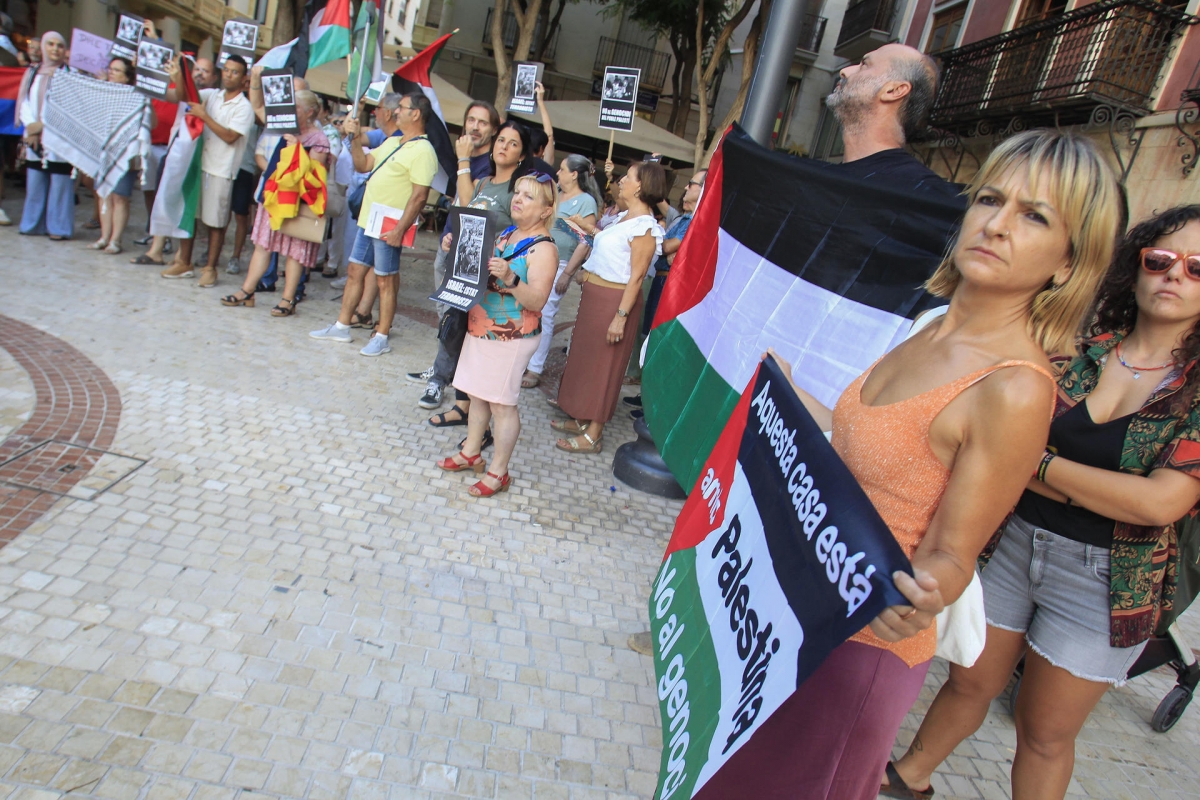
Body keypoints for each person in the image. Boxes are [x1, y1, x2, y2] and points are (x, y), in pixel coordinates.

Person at [690, 130, 1124, 800]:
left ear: (1069, 263)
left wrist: (922, 593)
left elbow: (954, 554)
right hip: (794, 614)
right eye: (990, 199)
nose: (999, 225)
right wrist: (782, 392)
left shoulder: (1015, 387)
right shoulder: (931, 323)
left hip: (860, 652)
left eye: (1035, 216)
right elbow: (865, 449)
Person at [881, 205, 1200, 800]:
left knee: (1045, 732)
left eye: (1197, 268)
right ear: (1135, 267)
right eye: (1159, 259)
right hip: (1015, 540)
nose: (1174, 275)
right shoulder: (1077, 350)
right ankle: (908, 778)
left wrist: (1039, 464)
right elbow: (996, 440)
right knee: (967, 683)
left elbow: (1160, 504)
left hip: (1107, 580)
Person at [437, 174, 558, 496]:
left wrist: (511, 279)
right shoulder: (506, 233)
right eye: (517, 193)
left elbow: (538, 301)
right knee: (478, 395)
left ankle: (498, 472)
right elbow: (477, 267)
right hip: (481, 329)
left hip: (512, 336)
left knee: (502, 405)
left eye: (528, 196)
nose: (518, 199)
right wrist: (456, 247)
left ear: (546, 210)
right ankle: (470, 453)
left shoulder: (543, 250)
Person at [552, 161, 667, 453]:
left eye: (627, 177)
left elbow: (637, 276)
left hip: (614, 303)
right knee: (588, 360)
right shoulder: (625, 219)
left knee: (606, 367)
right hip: (596, 298)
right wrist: (587, 228)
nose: (621, 180)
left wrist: (620, 318)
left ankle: (594, 434)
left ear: (640, 186)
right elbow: (611, 251)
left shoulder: (646, 227)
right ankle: (582, 417)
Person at [309, 92, 437, 356]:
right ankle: (342, 325)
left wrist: (400, 229)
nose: (395, 112)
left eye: (401, 108)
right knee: (356, 272)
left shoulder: (424, 150)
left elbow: (419, 196)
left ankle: (382, 335)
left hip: (389, 225)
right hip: (370, 220)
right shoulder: (394, 142)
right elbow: (363, 163)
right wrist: (354, 138)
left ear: (415, 114)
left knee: (385, 280)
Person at [420, 120, 530, 419]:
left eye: (513, 143)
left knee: (473, 341)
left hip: (491, 278)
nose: (504, 146)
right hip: (465, 271)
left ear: (522, 155)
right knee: (456, 332)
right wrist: (452, 240)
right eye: (501, 140)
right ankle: (461, 403)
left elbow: (517, 234)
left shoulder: (517, 191)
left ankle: (468, 408)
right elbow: (466, 212)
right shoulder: (483, 183)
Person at [406, 102, 500, 383]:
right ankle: (444, 368)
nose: (474, 126)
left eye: (482, 122)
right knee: (445, 315)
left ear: (494, 130)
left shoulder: (488, 165)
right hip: (448, 241)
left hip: (468, 252)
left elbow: (471, 203)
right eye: (470, 119)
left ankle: (442, 378)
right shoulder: (467, 158)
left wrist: (462, 161)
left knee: (452, 317)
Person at [219, 90, 329, 315]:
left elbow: (317, 174)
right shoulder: (286, 129)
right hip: (275, 197)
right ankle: (247, 290)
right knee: (262, 246)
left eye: (295, 106)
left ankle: (288, 299)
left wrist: (295, 150)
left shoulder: (319, 139)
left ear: (309, 112)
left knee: (294, 252)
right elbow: (259, 107)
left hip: (299, 203)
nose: (289, 110)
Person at [160, 54, 255, 288]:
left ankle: (210, 267)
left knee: (216, 222)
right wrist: (177, 76)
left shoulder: (244, 107)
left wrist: (204, 116)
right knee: (189, 214)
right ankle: (184, 261)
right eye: (226, 70)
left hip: (221, 169)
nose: (229, 75)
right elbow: (185, 97)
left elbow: (231, 136)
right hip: (197, 162)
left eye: (235, 72)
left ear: (243, 79)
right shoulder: (211, 95)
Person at [825, 42, 960, 200]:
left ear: (894, 91)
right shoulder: (824, 181)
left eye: (864, 65)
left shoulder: (921, 195)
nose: (844, 71)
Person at [522, 154, 604, 389]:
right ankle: (523, 359)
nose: (557, 173)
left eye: (561, 169)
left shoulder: (585, 202)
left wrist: (568, 273)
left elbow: (586, 239)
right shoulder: (555, 193)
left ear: (574, 174)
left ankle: (535, 368)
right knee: (527, 310)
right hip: (535, 256)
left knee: (545, 315)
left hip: (559, 264)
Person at [86, 57, 147, 255]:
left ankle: (116, 239)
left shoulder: (136, 96)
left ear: (127, 77)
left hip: (124, 153)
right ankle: (104, 236)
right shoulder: (103, 92)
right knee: (104, 194)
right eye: (110, 69)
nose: (111, 72)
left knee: (120, 197)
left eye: (117, 70)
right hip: (105, 152)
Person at [17, 32, 72, 241]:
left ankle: (58, 227)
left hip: (58, 136)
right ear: (43, 47)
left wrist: (43, 125)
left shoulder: (70, 75)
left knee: (59, 183)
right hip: (34, 136)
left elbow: (68, 108)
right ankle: (32, 224)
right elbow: (24, 100)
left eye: (59, 45)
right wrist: (31, 125)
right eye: (50, 44)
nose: (55, 49)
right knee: (35, 182)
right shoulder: (33, 73)